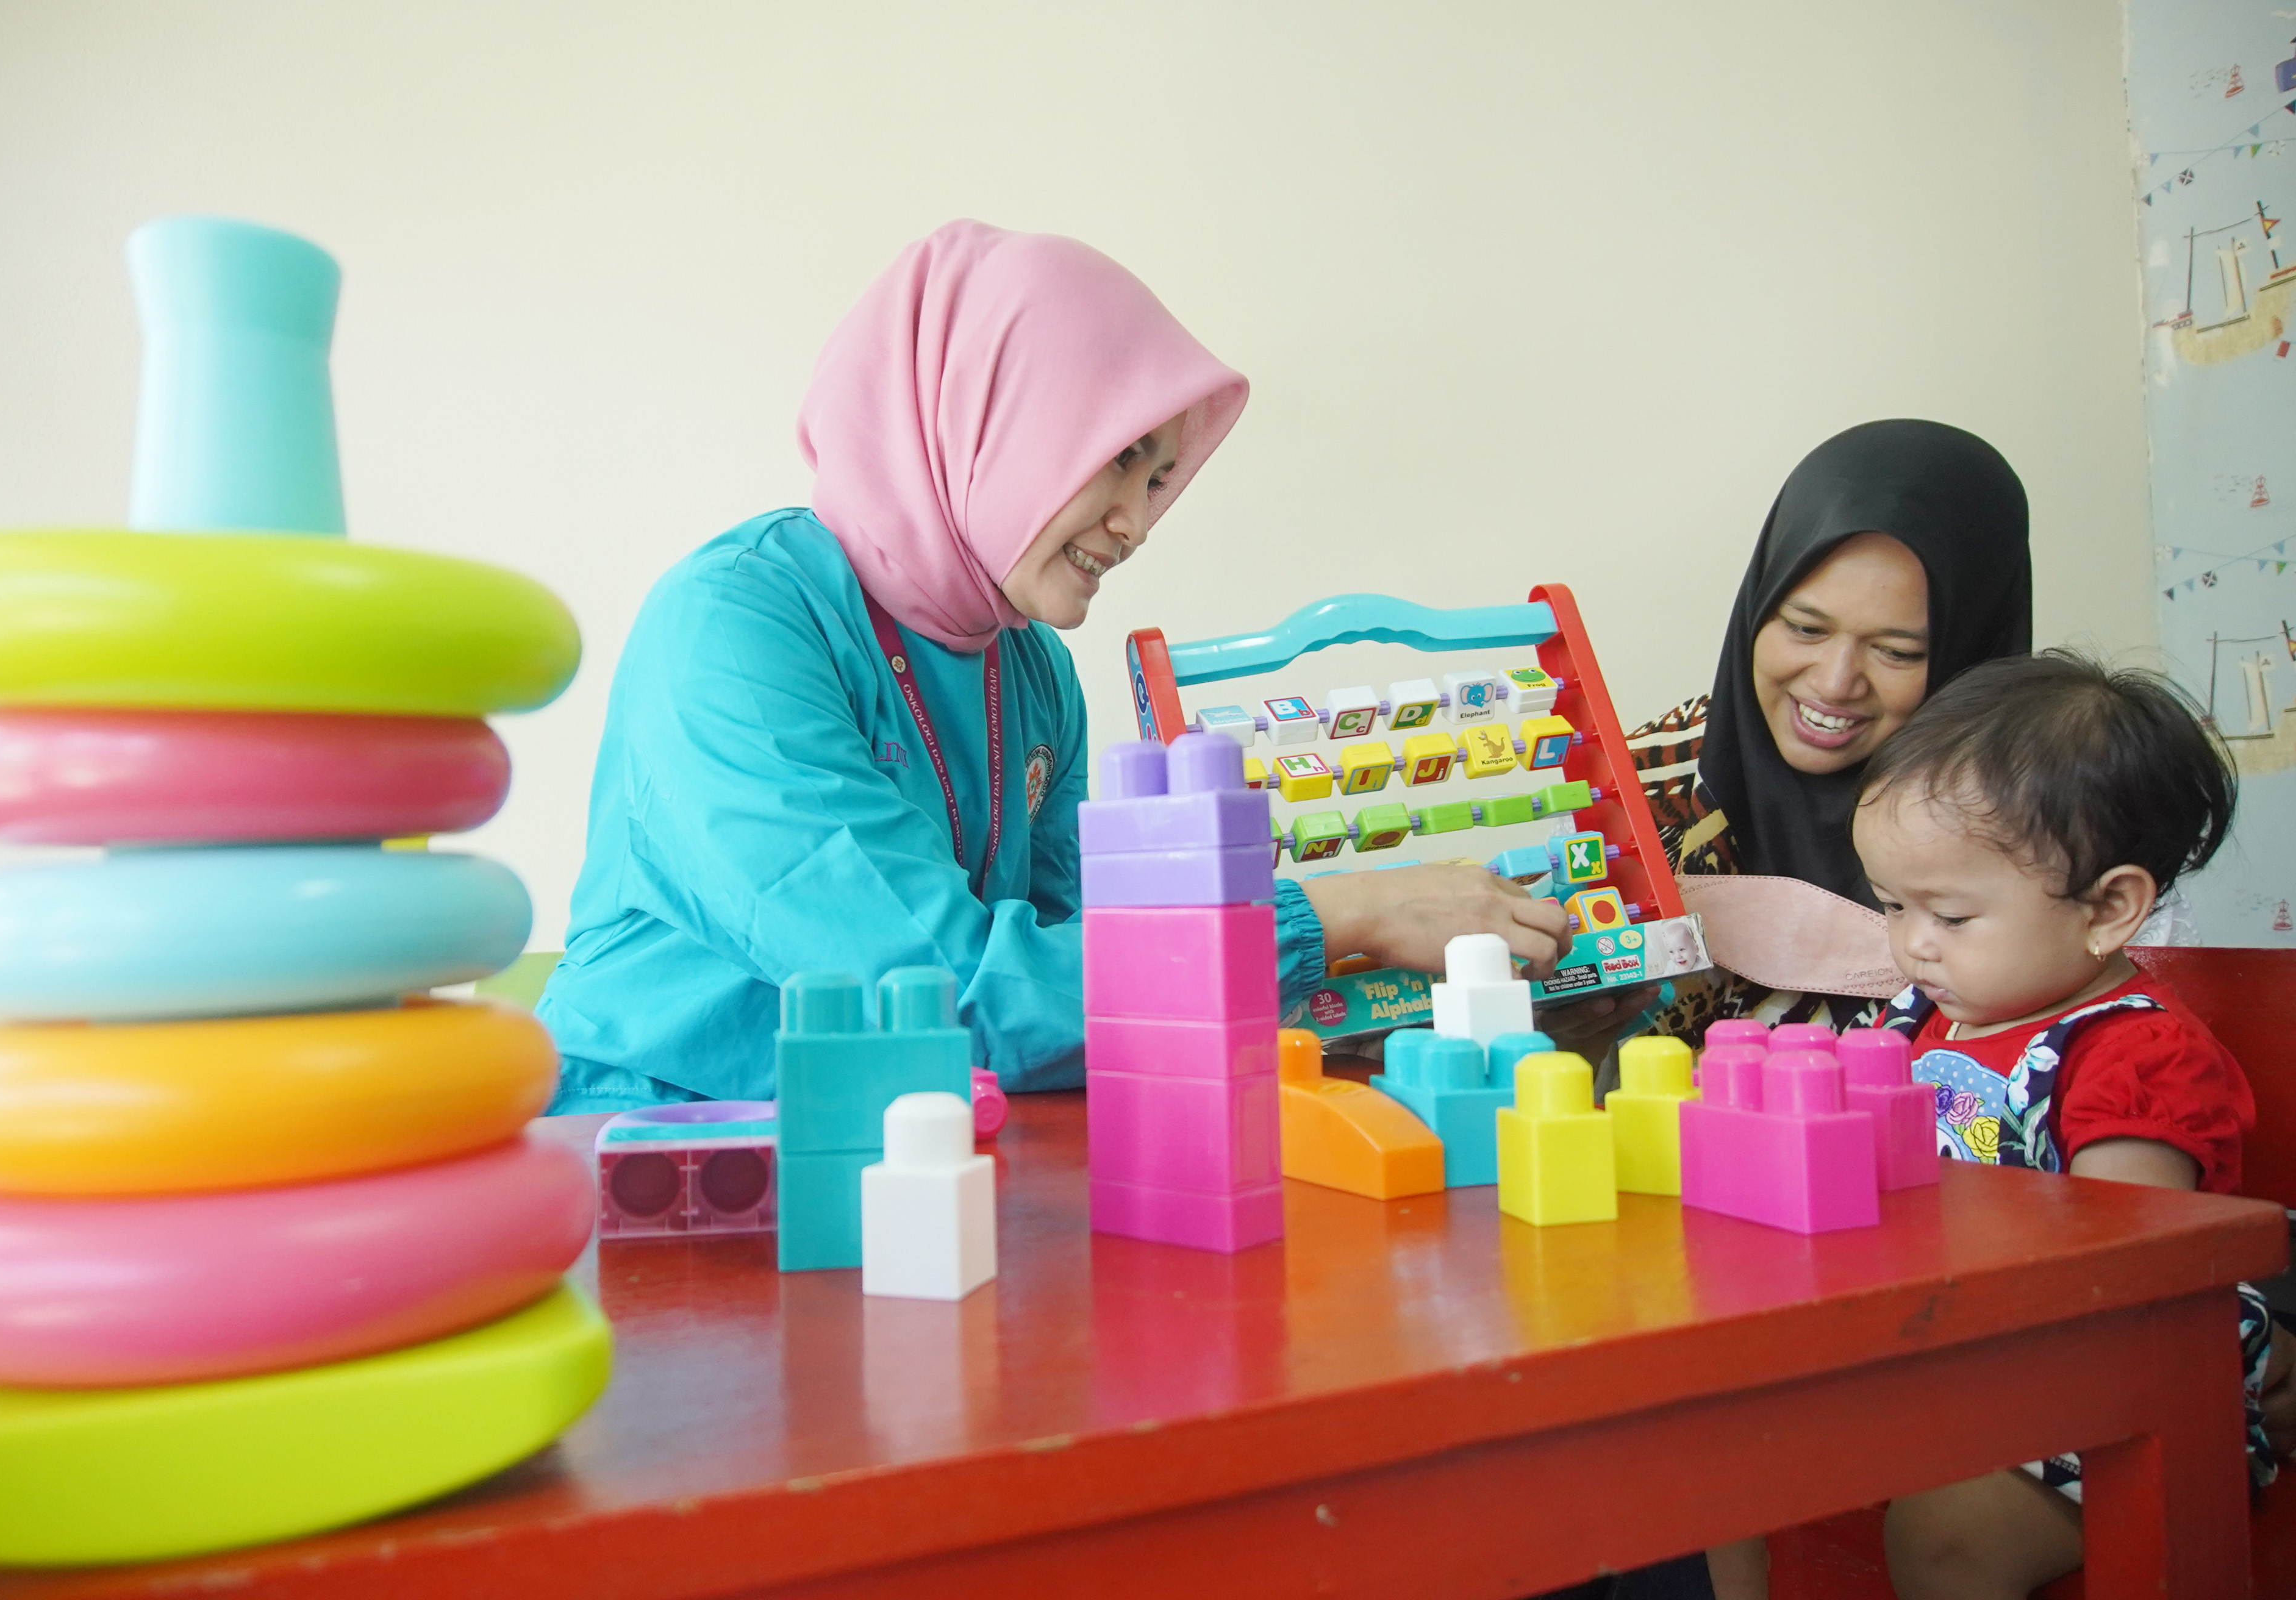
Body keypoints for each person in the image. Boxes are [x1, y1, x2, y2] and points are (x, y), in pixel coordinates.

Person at [538, 220, 1567, 1112]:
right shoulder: (738, 626)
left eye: (1158, 479)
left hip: (916, 1138)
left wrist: (1374, 984)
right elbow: (936, 993)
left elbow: (1090, 967)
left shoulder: (1031, 672)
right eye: (1117, 457)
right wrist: (1343, 914)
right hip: (661, 1146)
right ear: (990, 416)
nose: (1137, 524)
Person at [1714, 651, 2285, 1600]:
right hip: (1949, 1354)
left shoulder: (2137, 1058)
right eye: (1893, 906)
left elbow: (2124, 1271)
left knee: (1948, 1539)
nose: (1912, 944)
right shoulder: (1919, 1018)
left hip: (2113, 1389)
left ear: (2110, 909)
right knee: (1721, 1456)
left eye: (1950, 915)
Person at [1627, 419, 2033, 1044]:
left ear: (1969, 654)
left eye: (1897, 652)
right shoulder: (1645, 781)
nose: (1836, 683)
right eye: (1805, 628)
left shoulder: (2041, 830)